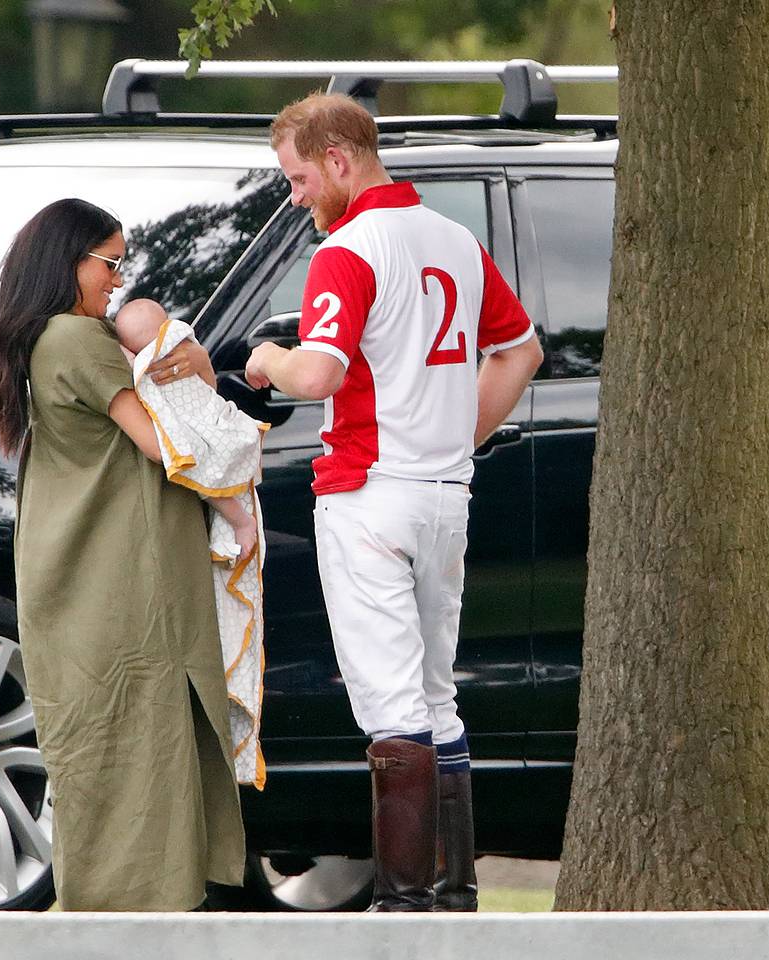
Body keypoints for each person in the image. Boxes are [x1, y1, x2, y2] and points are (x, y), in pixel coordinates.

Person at [245, 94, 544, 912]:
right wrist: (458, 432)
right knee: (437, 695)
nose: (297, 195)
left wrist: (270, 356)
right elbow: (522, 352)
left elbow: (321, 374)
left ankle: (406, 902)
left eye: (301, 178)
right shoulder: (455, 238)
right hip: (445, 492)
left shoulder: (348, 250)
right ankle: (451, 892)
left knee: (390, 705)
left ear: (339, 160)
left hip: (369, 494)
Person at [0, 198, 245, 911]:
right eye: (109, 263)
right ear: (69, 261)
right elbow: (168, 444)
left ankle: (107, 912)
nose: (117, 280)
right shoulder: (78, 339)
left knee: (99, 756)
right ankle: (137, 918)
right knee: (142, 753)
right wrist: (199, 380)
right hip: (121, 583)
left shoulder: (42, 341)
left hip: (75, 582)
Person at [113, 296, 269, 788]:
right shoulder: (123, 368)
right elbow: (176, 446)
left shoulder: (172, 357)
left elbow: (194, 421)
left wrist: (202, 370)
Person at [114, 297, 259, 564]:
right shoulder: (185, 343)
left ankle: (241, 523)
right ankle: (239, 524)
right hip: (214, 428)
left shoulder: (160, 357)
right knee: (210, 475)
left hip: (206, 431)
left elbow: (204, 393)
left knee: (207, 475)